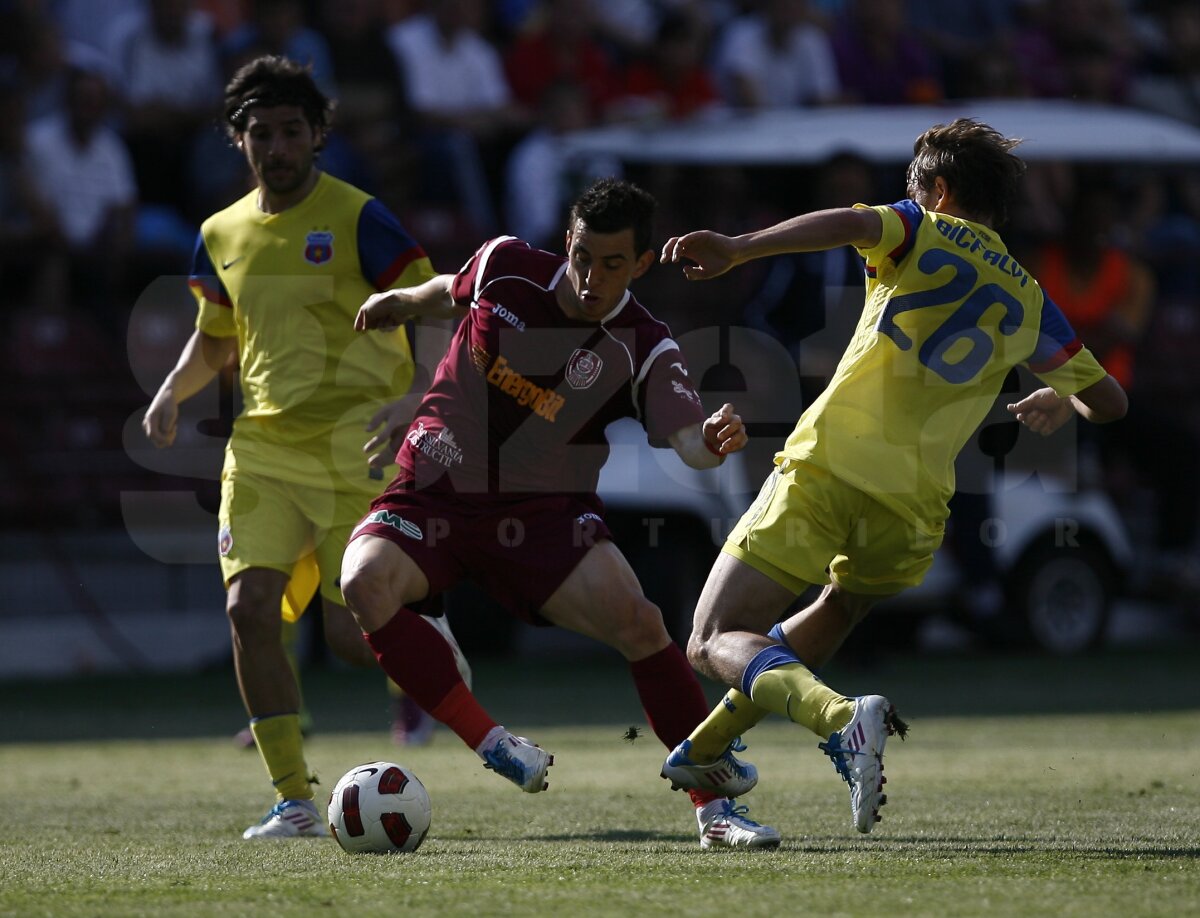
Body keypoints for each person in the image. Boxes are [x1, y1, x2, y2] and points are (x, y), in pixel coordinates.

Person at [657, 118, 1129, 835]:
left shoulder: (920, 227)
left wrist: (741, 248)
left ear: (937, 191)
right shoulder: (1032, 296)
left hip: (833, 463)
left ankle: (843, 719)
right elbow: (1111, 402)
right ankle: (708, 749)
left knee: (711, 637)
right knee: (837, 608)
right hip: (918, 507)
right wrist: (1060, 399)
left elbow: (849, 222)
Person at [340, 177, 781, 849]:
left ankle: (715, 810)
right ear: (566, 242)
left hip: (540, 518)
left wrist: (712, 440)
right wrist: (401, 301)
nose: (589, 277)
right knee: (361, 580)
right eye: (581, 255)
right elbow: (449, 287)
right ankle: (492, 742)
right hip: (435, 491)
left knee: (640, 623)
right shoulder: (507, 266)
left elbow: (688, 441)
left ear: (639, 265)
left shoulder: (643, 344)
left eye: (611, 265)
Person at [140, 54, 469, 839]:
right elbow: (215, 336)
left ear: (319, 135)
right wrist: (170, 392)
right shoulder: (219, 232)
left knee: (355, 641)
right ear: (238, 140)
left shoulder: (360, 216)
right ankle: (293, 799)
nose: (277, 147)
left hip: (356, 446)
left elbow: (434, 306)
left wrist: (416, 396)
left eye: (292, 131)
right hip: (260, 453)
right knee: (248, 608)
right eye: (261, 134)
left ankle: (432, 640)